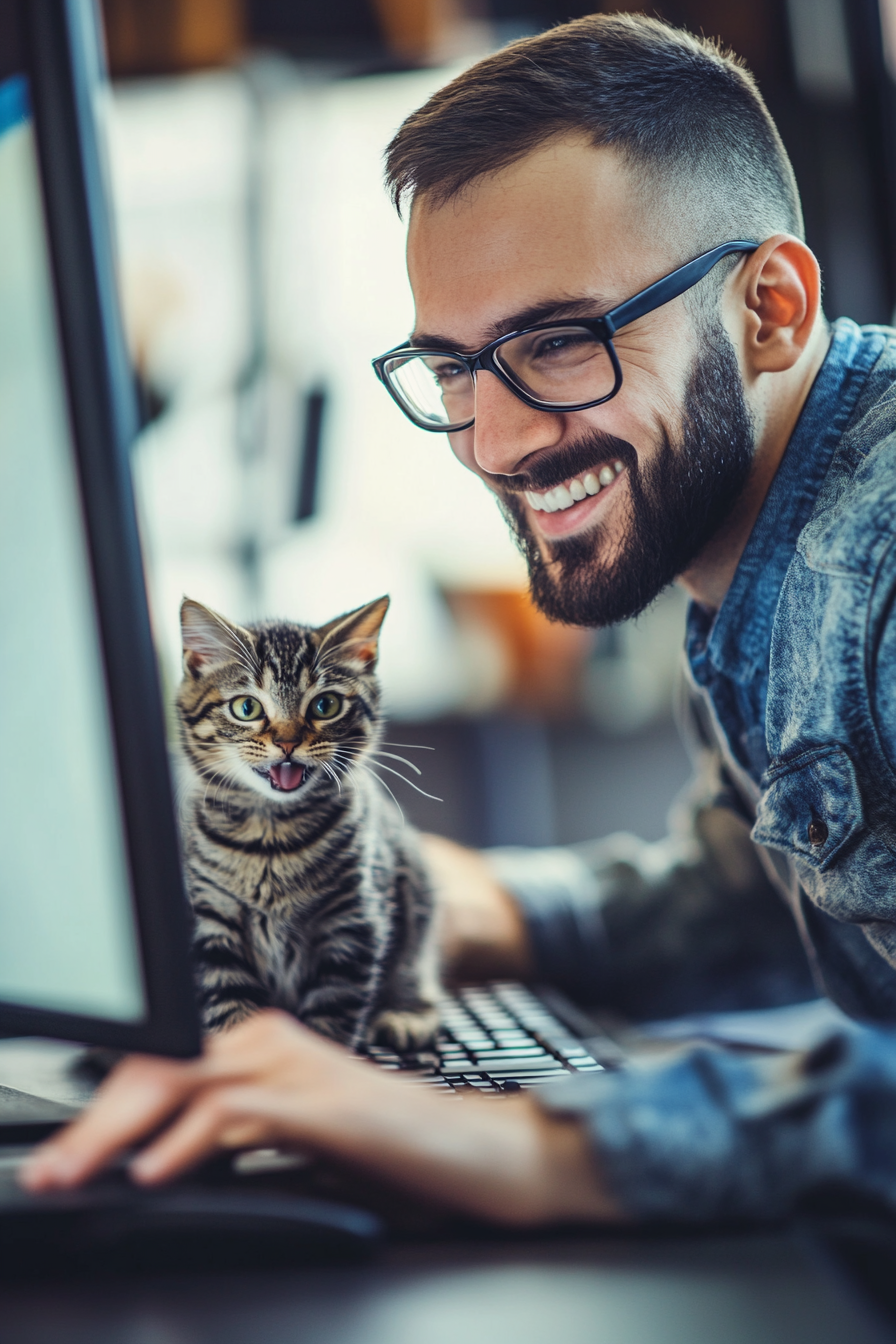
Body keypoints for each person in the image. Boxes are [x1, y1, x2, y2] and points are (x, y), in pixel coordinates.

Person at [22, 13, 896, 1224]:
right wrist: (479, 908)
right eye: (451, 368)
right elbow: (775, 897)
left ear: (770, 309)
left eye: (557, 341)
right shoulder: (737, 546)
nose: (492, 441)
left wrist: (536, 1147)